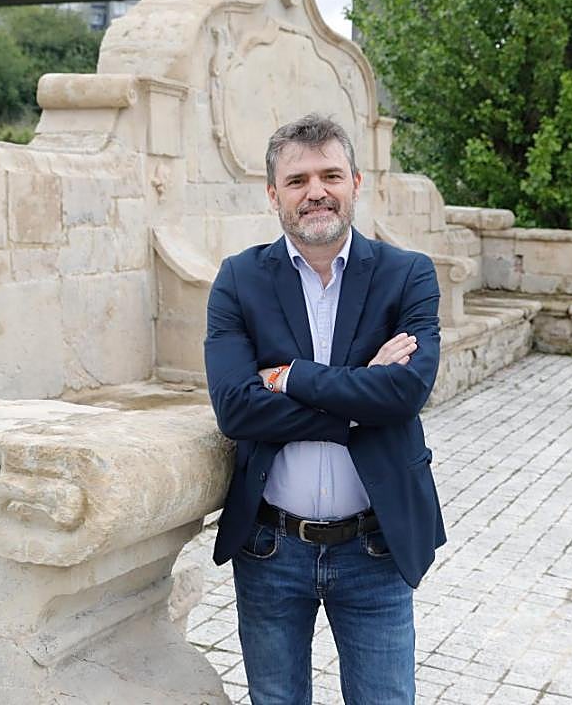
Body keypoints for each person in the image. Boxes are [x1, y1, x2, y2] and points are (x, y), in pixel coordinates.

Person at [203, 113, 445, 704]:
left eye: (330, 174)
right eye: (297, 179)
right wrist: (361, 393)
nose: (316, 191)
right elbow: (236, 410)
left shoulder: (407, 274)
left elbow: (408, 392)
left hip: (375, 545)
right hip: (270, 549)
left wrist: (292, 378)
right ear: (273, 194)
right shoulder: (239, 280)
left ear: (355, 183)